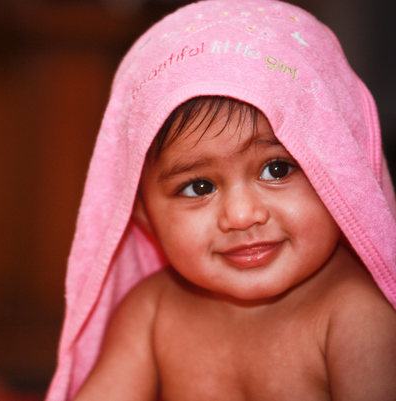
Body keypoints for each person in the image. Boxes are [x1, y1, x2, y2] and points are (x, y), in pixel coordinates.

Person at [45, 0, 396, 400]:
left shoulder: (356, 314)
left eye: (277, 170)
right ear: (142, 214)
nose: (242, 216)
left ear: (341, 170)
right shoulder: (152, 311)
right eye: (198, 187)